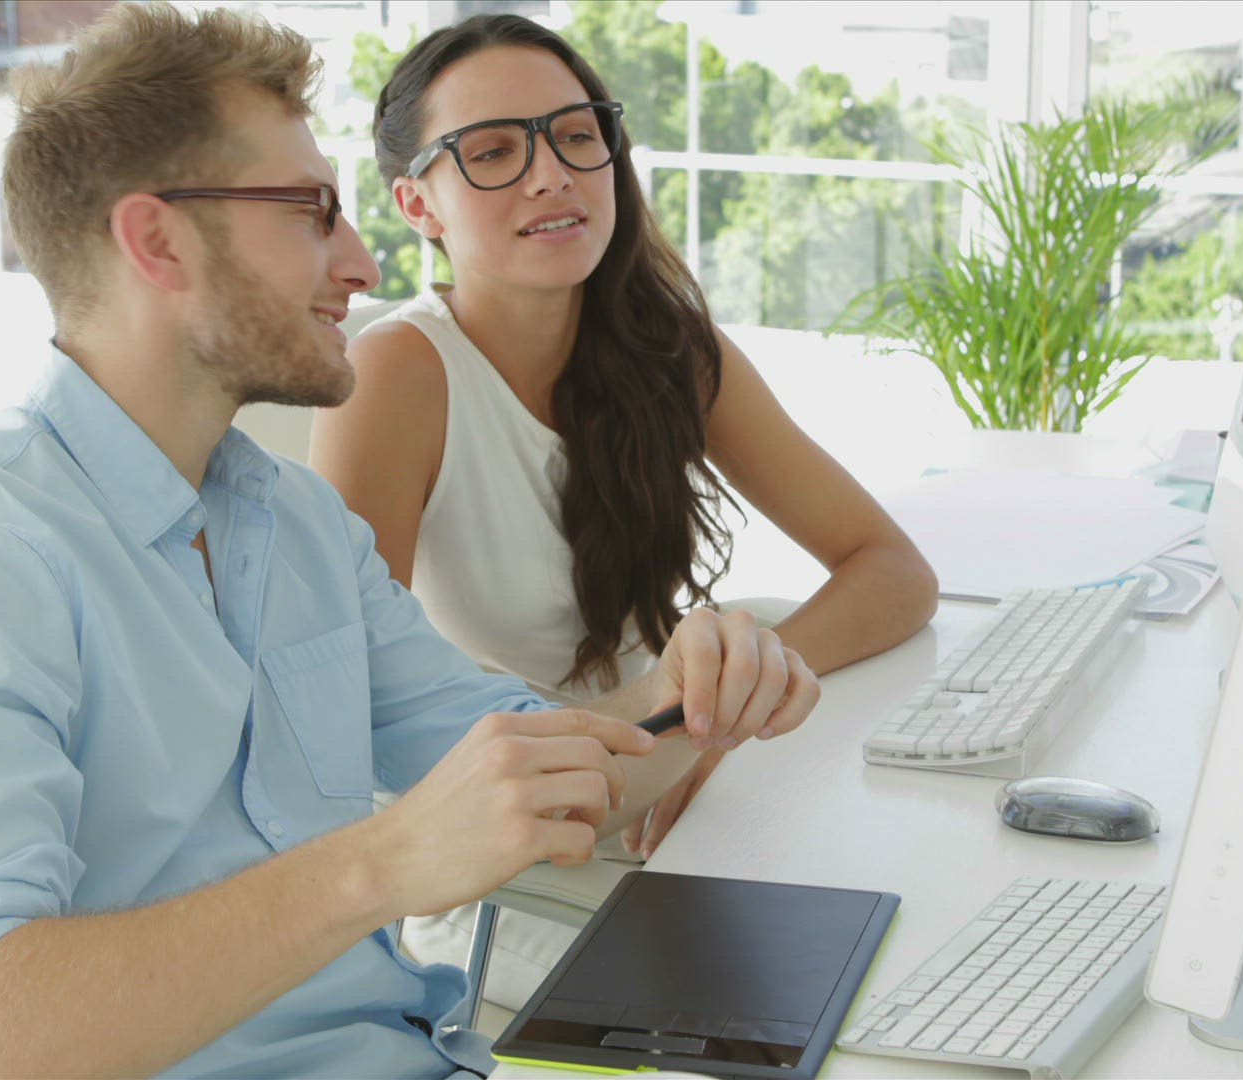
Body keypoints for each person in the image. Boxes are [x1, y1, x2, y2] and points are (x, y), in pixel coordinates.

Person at [0, 5, 816, 1078]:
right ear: (158, 242)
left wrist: (695, 695)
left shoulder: (295, 523)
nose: (361, 265)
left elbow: (542, 777)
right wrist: (380, 864)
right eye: (312, 213)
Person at [307, 13, 938, 1006]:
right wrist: (693, 734)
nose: (551, 175)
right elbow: (341, 709)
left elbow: (892, 570)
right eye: (493, 152)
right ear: (416, 203)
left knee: (927, 932)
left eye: (576, 134)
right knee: (812, 1004)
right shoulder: (396, 374)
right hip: (509, 855)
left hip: (666, 783)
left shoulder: (666, 347)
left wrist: (722, 720)